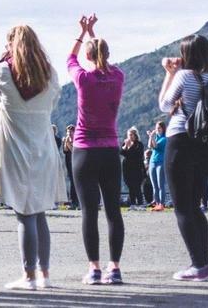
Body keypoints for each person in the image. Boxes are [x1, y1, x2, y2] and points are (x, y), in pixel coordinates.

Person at [0, 24, 62, 291]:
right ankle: (44, 274)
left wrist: (0, 63)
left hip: (15, 149)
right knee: (39, 214)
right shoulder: (50, 73)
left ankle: (28, 276)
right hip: (44, 148)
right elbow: (53, 103)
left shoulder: (5, 70)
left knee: (24, 214)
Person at [159, 33, 208, 282]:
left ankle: (198, 265)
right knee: (196, 207)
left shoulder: (184, 76)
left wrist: (169, 73)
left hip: (180, 139)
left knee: (182, 206)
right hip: (204, 144)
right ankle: (203, 263)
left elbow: (165, 106)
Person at [67, 14, 125, 286]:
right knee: (113, 211)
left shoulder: (82, 79)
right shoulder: (118, 77)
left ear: (89, 56)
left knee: (89, 212)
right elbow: (102, 59)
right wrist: (93, 35)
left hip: (84, 150)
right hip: (110, 150)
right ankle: (115, 268)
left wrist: (83, 33)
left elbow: (71, 58)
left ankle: (94, 268)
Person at [120, 128, 146, 209]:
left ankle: (141, 203)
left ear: (135, 135)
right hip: (127, 168)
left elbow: (136, 155)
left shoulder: (139, 144)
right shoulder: (126, 143)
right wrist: (125, 146)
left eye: (131, 135)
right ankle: (133, 204)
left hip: (137, 168)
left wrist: (130, 147)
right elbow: (121, 152)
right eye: (129, 135)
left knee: (137, 186)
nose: (130, 136)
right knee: (130, 186)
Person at [147, 122, 167, 210]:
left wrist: (151, 137)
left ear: (163, 129)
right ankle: (157, 203)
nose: (158, 129)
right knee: (154, 185)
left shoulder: (164, 138)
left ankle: (161, 204)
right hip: (152, 162)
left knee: (160, 184)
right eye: (157, 128)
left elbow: (155, 146)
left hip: (160, 162)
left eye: (159, 128)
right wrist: (151, 137)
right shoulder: (156, 137)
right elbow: (149, 146)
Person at [62, 125, 78, 209]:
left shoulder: (77, 141)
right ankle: (73, 201)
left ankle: (76, 201)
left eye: (71, 131)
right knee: (72, 181)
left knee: (75, 182)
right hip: (69, 163)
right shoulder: (66, 140)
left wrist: (69, 144)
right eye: (68, 131)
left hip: (76, 162)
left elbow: (75, 152)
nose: (69, 133)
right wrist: (66, 143)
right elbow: (65, 151)